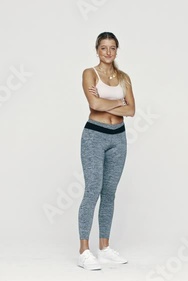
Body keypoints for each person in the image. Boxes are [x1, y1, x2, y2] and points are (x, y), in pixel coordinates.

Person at [77, 32, 136, 270]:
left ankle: (104, 247)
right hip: (94, 136)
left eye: (112, 48)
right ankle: (83, 251)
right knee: (93, 189)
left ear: (117, 50)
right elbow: (94, 105)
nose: (108, 52)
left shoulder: (124, 78)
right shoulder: (89, 73)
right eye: (104, 48)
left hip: (118, 138)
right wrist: (118, 104)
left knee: (109, 192)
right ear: (97, 50)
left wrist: (109, 103)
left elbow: (132, 110)